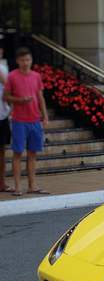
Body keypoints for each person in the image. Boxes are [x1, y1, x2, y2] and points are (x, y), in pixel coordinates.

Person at [3, 46, 49, 196]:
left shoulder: (36, 76)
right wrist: (19, 100)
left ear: (31, 60)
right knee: (17, 153)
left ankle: (32, 185)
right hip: (19, 121)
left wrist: (45, 116)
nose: (25, 62)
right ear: (17, 61)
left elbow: (40, 97)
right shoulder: (12, 76)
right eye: (22, 60)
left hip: (35, 120)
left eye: (28, 59)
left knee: (32, 153)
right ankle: (17, 187)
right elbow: (6, 97)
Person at [0, 42, 12, 193]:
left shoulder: (3, 69)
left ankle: (2, 182)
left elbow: (9, 91)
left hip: (2, 116)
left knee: (2, 151)